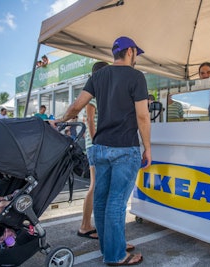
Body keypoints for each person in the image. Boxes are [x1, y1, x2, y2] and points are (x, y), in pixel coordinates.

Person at [50, 36, 150, 266]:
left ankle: (109, 250)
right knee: (116, 203)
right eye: (136, 53)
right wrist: (148, 148)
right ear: (131, 51)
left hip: (101, 147)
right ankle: (116, 256)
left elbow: (77, 106)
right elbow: (143, 116)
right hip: (125, 148)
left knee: (103, 201)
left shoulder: (98, 76)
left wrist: (60, 120)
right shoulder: (136, 76)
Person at [77, 61, 108, 240]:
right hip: (95, 145)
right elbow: (89, 120)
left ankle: (87, 224)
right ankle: (85, 225)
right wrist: (96, 141)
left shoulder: (97, 94)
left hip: (95, 144)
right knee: (95, 185)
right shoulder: (93, 94)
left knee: (96, 185)